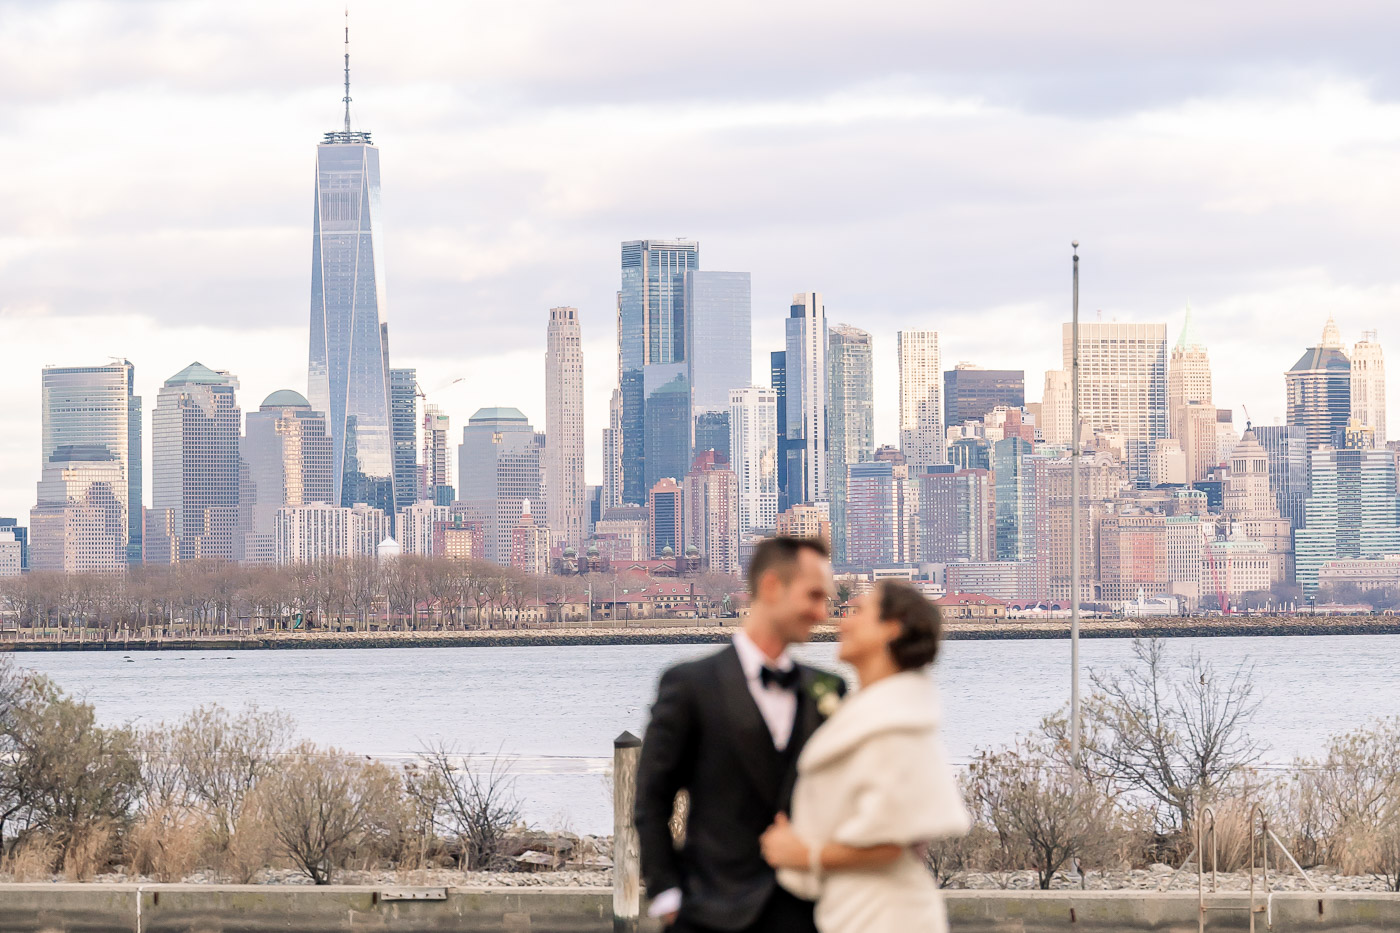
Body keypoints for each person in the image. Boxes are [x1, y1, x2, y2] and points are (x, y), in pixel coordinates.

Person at [635, 536, 845, 933]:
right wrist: (667, 894)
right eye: (814, 595)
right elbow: (652, 798)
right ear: (771, 587)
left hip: (806, 913)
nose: (822, 612)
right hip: (709, 912)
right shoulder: (690, 685)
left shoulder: (828, 690)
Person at [758, 579, 970, 933]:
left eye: (859, 613)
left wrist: (803, 854)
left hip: (888, 917)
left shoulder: (896, 721)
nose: (843, 622)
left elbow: (891, 842)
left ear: (891, 628)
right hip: (854, 911)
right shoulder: (876, 713)